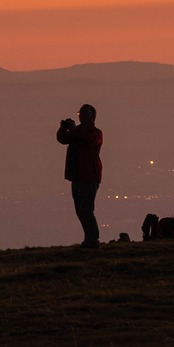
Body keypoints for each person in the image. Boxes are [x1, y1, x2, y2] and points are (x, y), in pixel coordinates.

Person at [56, 104, 103, 247]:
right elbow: (62, 139)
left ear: (92, 116)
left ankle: (92, 240)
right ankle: (89, 239)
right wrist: (63, 127)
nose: (81, 115)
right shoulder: (78, 132)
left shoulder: (96, 133)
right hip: (77, 176)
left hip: (89, 177)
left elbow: (90, 141)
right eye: (80, 113)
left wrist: (74, 129)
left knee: (86, 210)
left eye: (85, 113)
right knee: (80, 210)